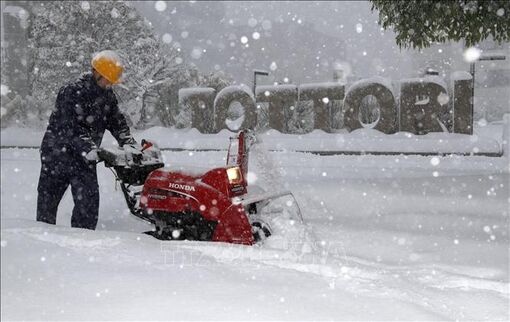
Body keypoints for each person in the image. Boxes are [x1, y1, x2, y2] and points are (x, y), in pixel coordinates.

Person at [36, 50, 137, 230]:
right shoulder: (72, 91)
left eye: (112, 80)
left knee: (88, 204)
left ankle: (83, 241)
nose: (110, 83)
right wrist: (90, 148)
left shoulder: (108, 95)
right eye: (107, 78)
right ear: (96, 73)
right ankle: (43, 240)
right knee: (48, 203)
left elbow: (117, 122)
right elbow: (69, 126)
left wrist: (128, 142)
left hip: (83, 158)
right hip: (56, 155)